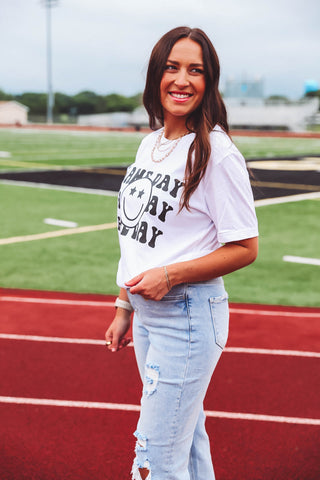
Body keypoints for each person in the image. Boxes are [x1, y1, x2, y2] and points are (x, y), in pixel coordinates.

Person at [105, 26, 259, 480]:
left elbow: (245, 247)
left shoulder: (216, 152)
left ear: (209, 82)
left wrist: (170, 276)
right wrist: (122, 304)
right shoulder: (150, 143)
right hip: (148, 311)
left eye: (196, 70)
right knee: (186, 443)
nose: (182, 80)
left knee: (153, 459)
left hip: (188, 315)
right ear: (156, 75)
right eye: (172, 67)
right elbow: (137, 234)